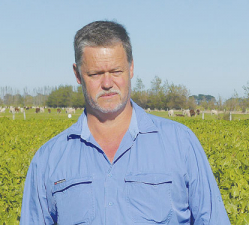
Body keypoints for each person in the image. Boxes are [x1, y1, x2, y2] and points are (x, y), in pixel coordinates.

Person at [20, 20, 231, 225]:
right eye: (95, 74)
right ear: (77, 74)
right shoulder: (48, 160)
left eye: (116, 71)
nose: (107, 83)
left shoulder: (181, 144)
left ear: (131, 68)